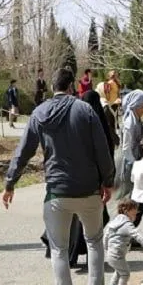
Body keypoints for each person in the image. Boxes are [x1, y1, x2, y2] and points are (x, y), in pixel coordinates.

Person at [4, 68, 115, 285]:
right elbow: (102, 148)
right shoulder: (85, 110)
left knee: (59, 251)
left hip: (57, 192)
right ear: (72, 85)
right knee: (95, 242)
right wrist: (107, 181)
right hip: (88, 191)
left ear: (52, 86)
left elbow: (24, 152)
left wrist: (10, 182)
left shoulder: (39, 113)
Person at [40, 90, 117, 264]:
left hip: (74, 179)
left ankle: (71, 255)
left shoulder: (79, 120)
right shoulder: (99, 124)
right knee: (93, 225)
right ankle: (91, 260)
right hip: (93, 182)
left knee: (74, 222)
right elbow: (105, 154)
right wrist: (107, 180)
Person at [104, 199, 143, 285]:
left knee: (119, 271)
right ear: (126, 210)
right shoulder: (127, 224)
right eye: (134, 211)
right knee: (125, 273)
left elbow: (106, 235)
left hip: (111, 253)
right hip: (117, 254)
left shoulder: (115, 221)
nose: (136, 213)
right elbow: (136, 234)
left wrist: (106, 247)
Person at [117, 89, 143, 199]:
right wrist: (135, 165)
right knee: (128, 201)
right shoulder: (130, 122)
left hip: (134, 163)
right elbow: (126, 148)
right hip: (129, 165)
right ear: (135, 105)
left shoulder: (136, 119)